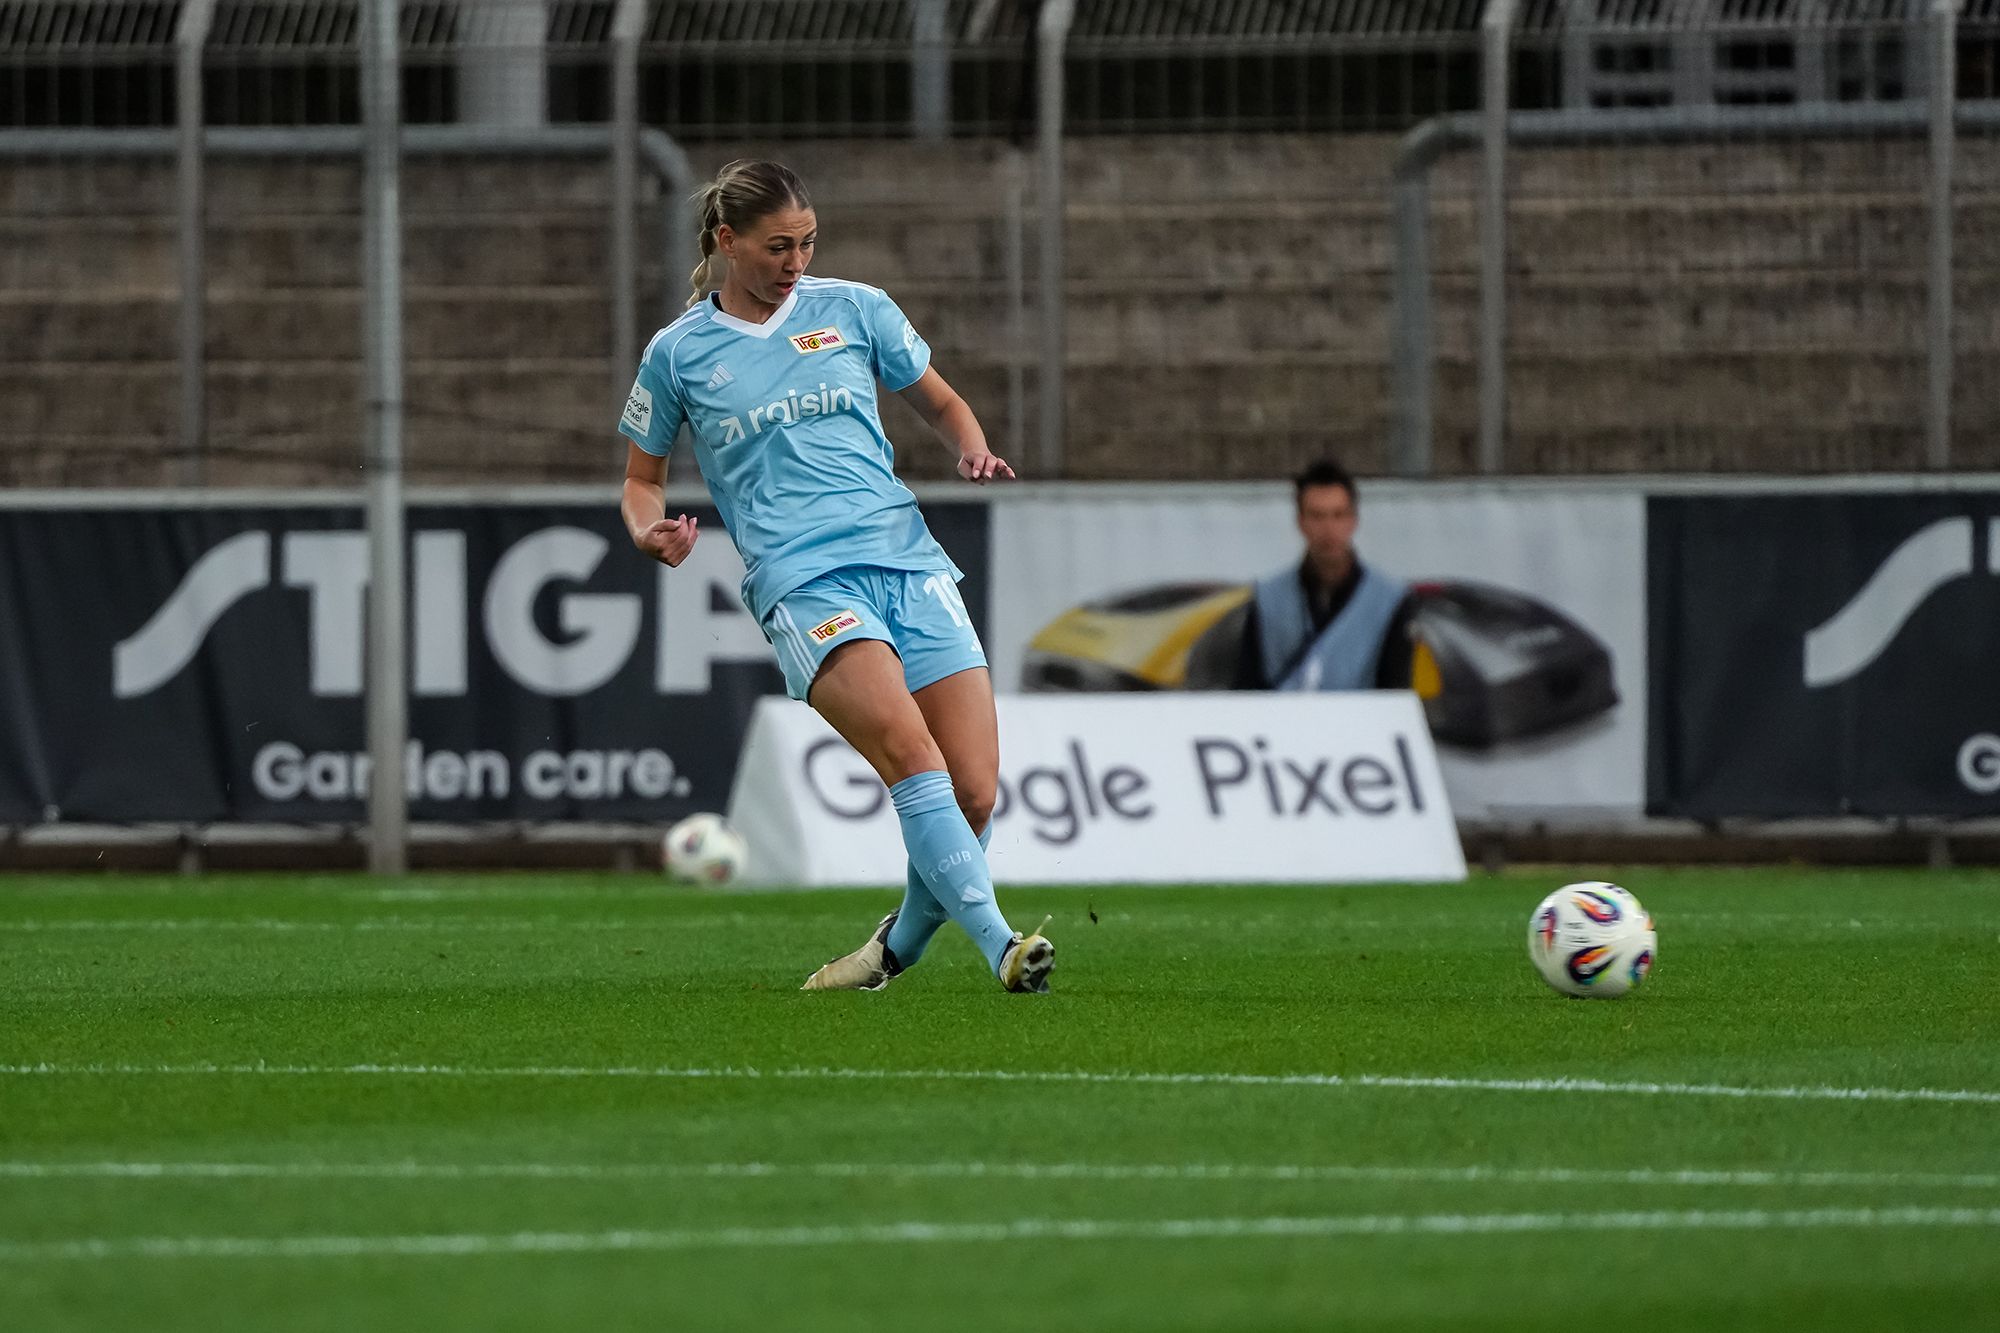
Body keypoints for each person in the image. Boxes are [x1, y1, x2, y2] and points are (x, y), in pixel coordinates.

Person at [617, 159, 1053, 994]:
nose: (796, 261)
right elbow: (641, 480)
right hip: (805, 581)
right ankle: (1003, 944)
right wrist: (650, 532)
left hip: (907, 557)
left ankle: (890, 953)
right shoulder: (677, 354)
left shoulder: (855, 309)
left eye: (808, 242)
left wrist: (970, 444)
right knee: (911, 757)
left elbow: (941, 401)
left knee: (974, 791)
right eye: (778, 246)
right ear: (726, 243)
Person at [1230, 460, 1417, 691]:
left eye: (1338, 515)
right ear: (1301, 522)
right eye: (1317, 516)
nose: (1329, 529)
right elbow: (1247, 687)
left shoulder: (1389, 600)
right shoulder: (1268, 598)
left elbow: (1394, 690)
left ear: (1353, 520)